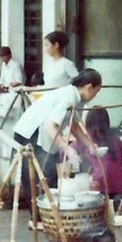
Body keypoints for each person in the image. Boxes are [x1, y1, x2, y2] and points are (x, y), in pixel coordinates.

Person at [13, 68, 102, 225]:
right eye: (96, 92)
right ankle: (36, 219)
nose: (95, 96)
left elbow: (74, 126)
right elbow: (50, 126)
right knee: (32, 176)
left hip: (41, 132)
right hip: (30, 132)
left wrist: (90, 145)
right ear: (89, 87)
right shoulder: (69, 96)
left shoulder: (76, 98)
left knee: (49, 174)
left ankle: (51, 214)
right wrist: (67, 148)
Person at [78, 106, 122, 197]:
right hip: (120, 189)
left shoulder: (87, 141)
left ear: (88, 123)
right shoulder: (116, 141)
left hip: (97, 190)